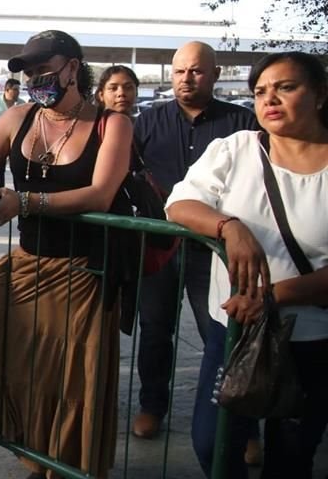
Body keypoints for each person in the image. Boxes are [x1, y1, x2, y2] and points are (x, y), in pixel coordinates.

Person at [0, 30, 133, 478]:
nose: (36, 78)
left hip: (84, 273)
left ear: (73, 67)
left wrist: (26, 202)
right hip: (26, 261)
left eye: (44, 68)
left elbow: (101, 194)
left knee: (66, 381)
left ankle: (58, 466)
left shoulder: (112, 123)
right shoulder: (17, 117)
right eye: (30, 71)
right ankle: (9, 430)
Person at [166, 51, 328, 479]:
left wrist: (272, 297)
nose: (269, 99)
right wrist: (228, 226)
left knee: (291, 458)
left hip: (311, 344)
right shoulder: (236, 149)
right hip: (234, 334)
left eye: (286, 87)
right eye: (260, 91)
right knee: (212, 443)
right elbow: (179, 204)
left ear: (320, 95)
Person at [131, 42, 259, 442]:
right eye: (181, 71)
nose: (187, 78)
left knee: (222, 333)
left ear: (216, 75)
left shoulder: (244, 124)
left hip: (217, 248)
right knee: (154, 331)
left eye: (197, 71)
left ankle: (244, 424)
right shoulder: (147, 122)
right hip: (158, 246)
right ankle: (152, 406)